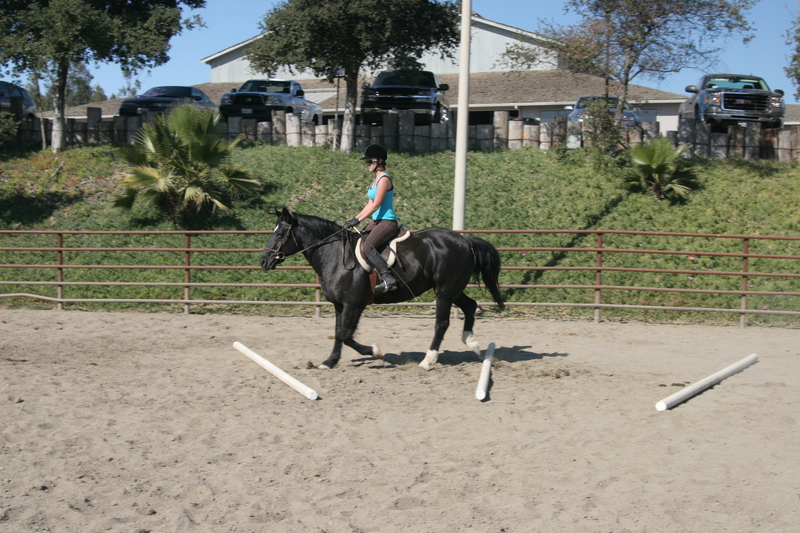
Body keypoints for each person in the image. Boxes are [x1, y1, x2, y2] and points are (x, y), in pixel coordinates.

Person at [344, 144, 398, 294]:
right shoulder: (374, 181)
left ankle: (388, 279)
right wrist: (355, 218)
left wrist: (359, 220)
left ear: (379, 161)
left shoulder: (384, 179)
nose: (367, 164)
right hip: (376, 222)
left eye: (369, 161)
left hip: (387, 222)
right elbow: (369, 204)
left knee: (367, 247)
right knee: (356, 240)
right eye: (366, 162)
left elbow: (376, 205)